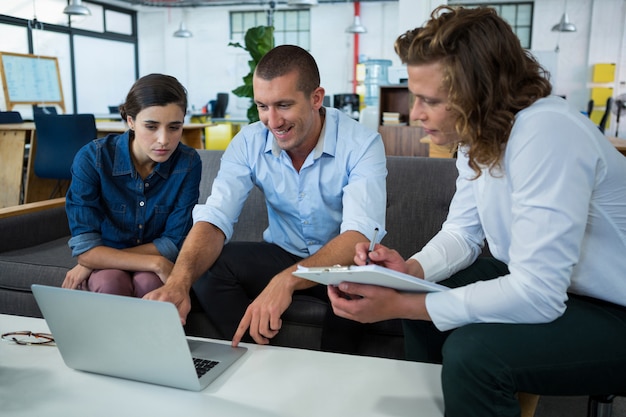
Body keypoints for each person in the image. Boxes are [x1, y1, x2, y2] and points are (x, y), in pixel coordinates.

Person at [327, 6, 626, 417]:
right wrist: (408, 273)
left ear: (479, 92)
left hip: (613, 309)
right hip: (559, 291)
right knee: (421, 293)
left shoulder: (547, 133)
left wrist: (401, 306)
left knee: (475, 353)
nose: (415, 114)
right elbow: (462, 235)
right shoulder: (477, 137)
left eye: (429, 100)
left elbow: (539, 295)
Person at [145, 45, 387, 351]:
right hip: (282, 252)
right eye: (262, 106)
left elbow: (358, 236)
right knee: (208, 270)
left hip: (341, 262)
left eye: (283, 105)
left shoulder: (362, 143)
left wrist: (286, 280)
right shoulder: (249, 141)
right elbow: (215, 216)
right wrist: (178, 282)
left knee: (356, 292)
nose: (272, 121)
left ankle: (331, 383)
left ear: (316, 98)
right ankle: (259, 359)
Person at [63, 73, 202, 298]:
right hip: (112, 265)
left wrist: (95, 259)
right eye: (151, 126)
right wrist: (155, 262)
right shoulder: (93, 158)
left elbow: (173, 242)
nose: (164, 140)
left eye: (174, 127)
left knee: (149, 282)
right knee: (109, 281)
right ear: (130, 121)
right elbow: (86, 248)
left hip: (112, 257)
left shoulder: (187, 163)